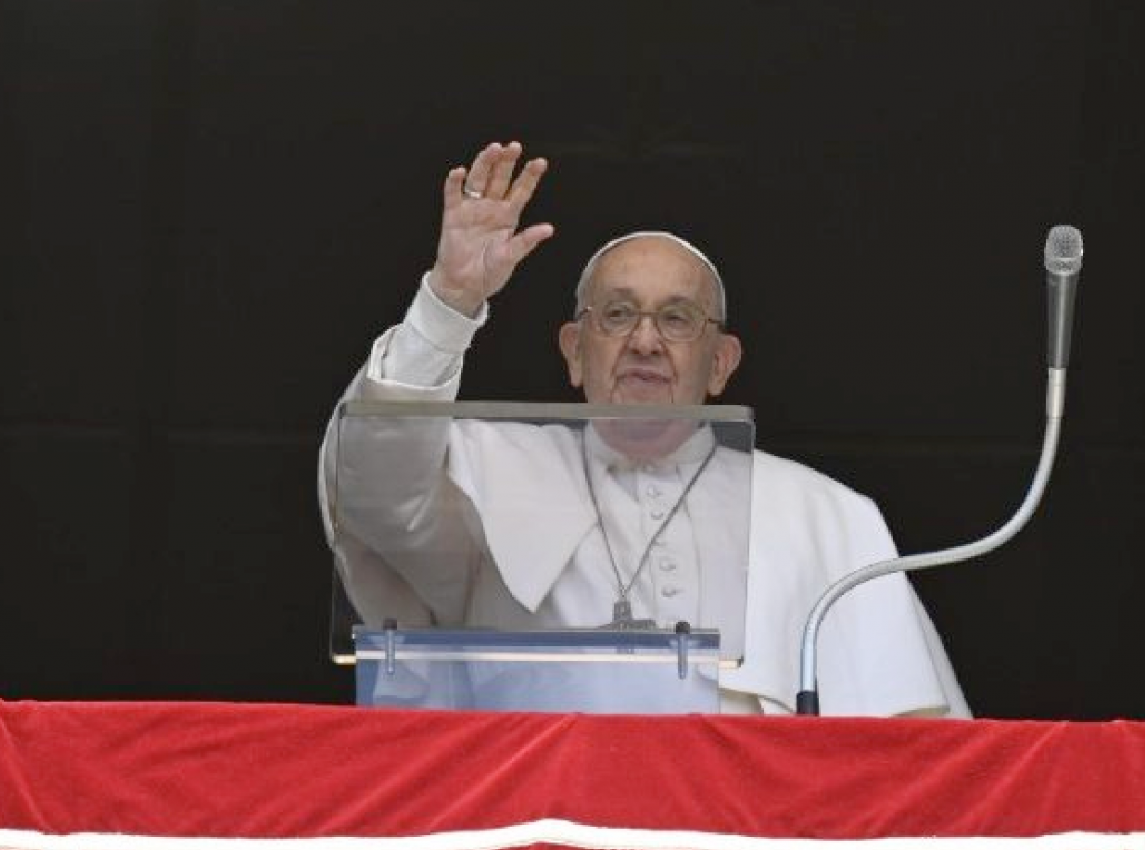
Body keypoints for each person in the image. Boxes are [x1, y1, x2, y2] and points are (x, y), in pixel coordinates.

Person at [320, 141, 968, 717]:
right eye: (617, 314)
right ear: (574, 352)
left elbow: (909, 742)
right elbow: (373, 491)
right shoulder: (483, 466)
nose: (645, 341)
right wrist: (450, 301)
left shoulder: (827, 513)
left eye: (678, 318)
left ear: (721, 364)